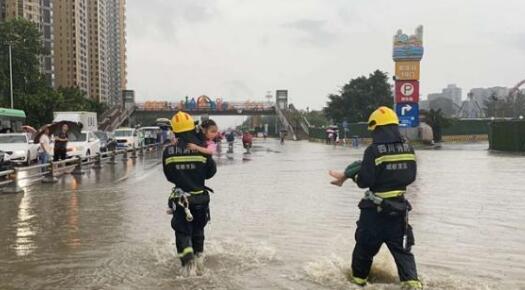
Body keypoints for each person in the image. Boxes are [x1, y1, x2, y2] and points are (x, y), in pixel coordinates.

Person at [329, 106, 422, 289]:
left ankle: (358, 282)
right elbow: (411, 177)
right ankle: (413, 283)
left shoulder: (374, 150)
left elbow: (364, 181)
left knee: (364, 251)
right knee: (403, 252)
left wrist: (352, 176)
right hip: (399, 210)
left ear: (377, 129)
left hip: (374, 212)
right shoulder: (408, 148)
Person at [163, 111, 217, 275]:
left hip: (181, 200)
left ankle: (187, 263)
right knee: (198, 230)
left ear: (175, 131)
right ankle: (199, 260)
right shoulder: (202, 149)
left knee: (182, 232)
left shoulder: (168, 151)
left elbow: (169, 176)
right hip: (200, 199)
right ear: (192, 128)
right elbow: (211, 172)